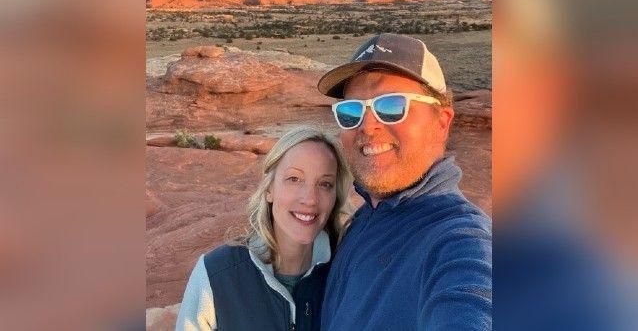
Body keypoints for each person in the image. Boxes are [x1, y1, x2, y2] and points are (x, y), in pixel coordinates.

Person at [318, 33, 492, 330]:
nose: (368, 127)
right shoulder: (362, 220)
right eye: (351, 112)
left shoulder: (460, 242)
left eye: (391, 106)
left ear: (442, 121)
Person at [175, 126, 353, 331]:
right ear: (269, 189)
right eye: (294, 179)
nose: (310, 199)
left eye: (325, 184)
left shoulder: (347, 271)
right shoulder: (216, 274)